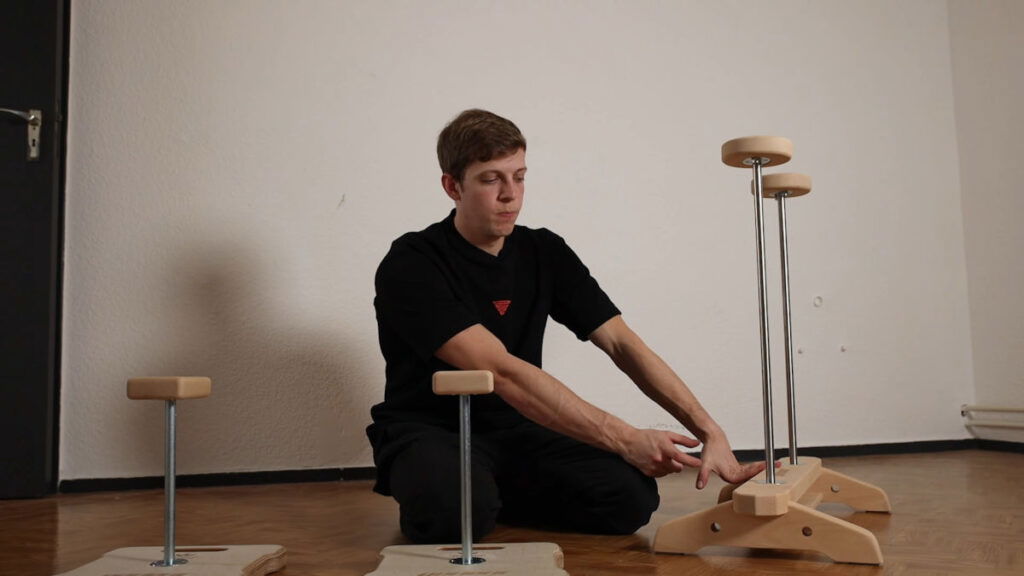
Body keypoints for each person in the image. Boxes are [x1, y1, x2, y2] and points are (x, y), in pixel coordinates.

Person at [367, 109, 765, 544]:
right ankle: (469, 496)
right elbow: (499, 372)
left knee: (628, 499)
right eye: (490, 179)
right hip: (432, 430)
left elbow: (621, 343)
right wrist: (625, 437)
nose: (510, 195)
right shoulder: (412, 263)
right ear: (452, 186)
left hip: (518, 428)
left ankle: (488, 494)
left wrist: (711, 430)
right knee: (452, 516)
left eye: (519, 177)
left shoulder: (544, 251)